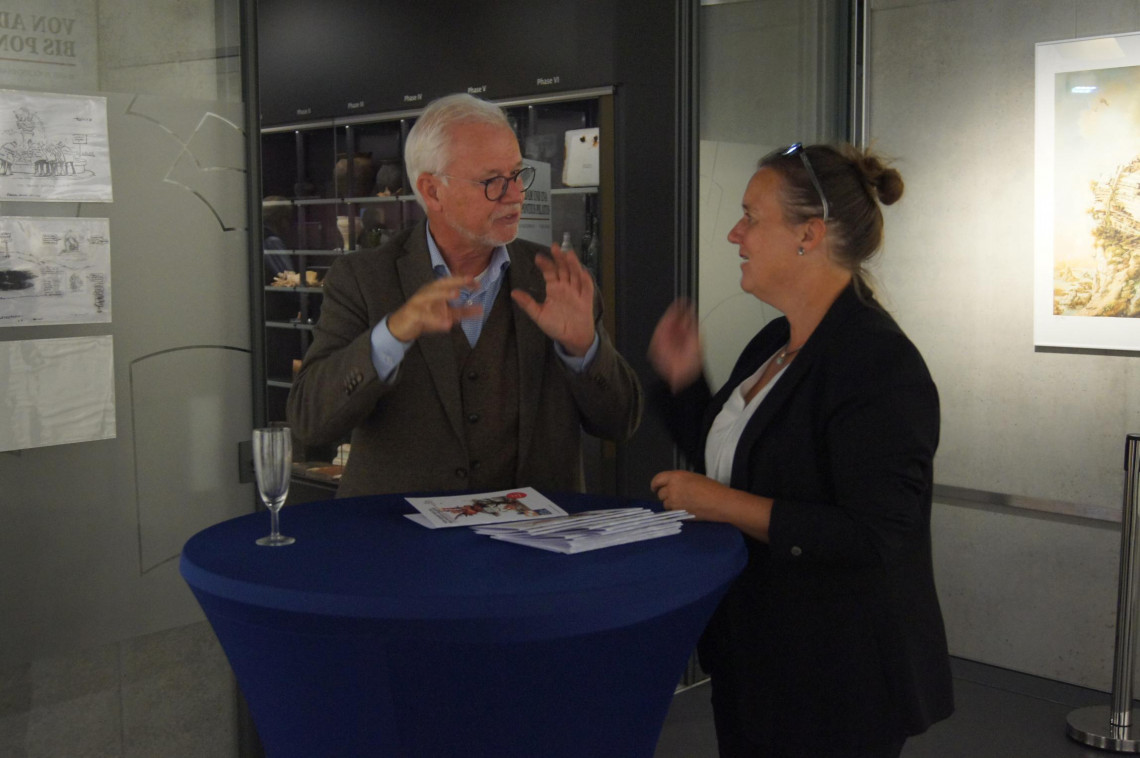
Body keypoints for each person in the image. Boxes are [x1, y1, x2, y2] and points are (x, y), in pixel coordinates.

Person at [648, 143, 953, 757]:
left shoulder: (879, 364)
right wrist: (682, 381)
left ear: (808, 235)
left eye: (750, 217)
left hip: (838, 677)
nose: (735, 234)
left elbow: (875, 534)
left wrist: (722, 504)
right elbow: (743, 459)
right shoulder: (776, 340)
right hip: (761, 659)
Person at [287, 93, 642, 497]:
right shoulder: (363, 279)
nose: (516, 195)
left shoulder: (555, 279)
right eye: (493, 182)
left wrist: (584, 350)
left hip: (531, 532)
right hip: (399, 530)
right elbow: (310, 421)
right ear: (432, 191)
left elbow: (621, 423)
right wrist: (390, 337)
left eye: (517, 174)